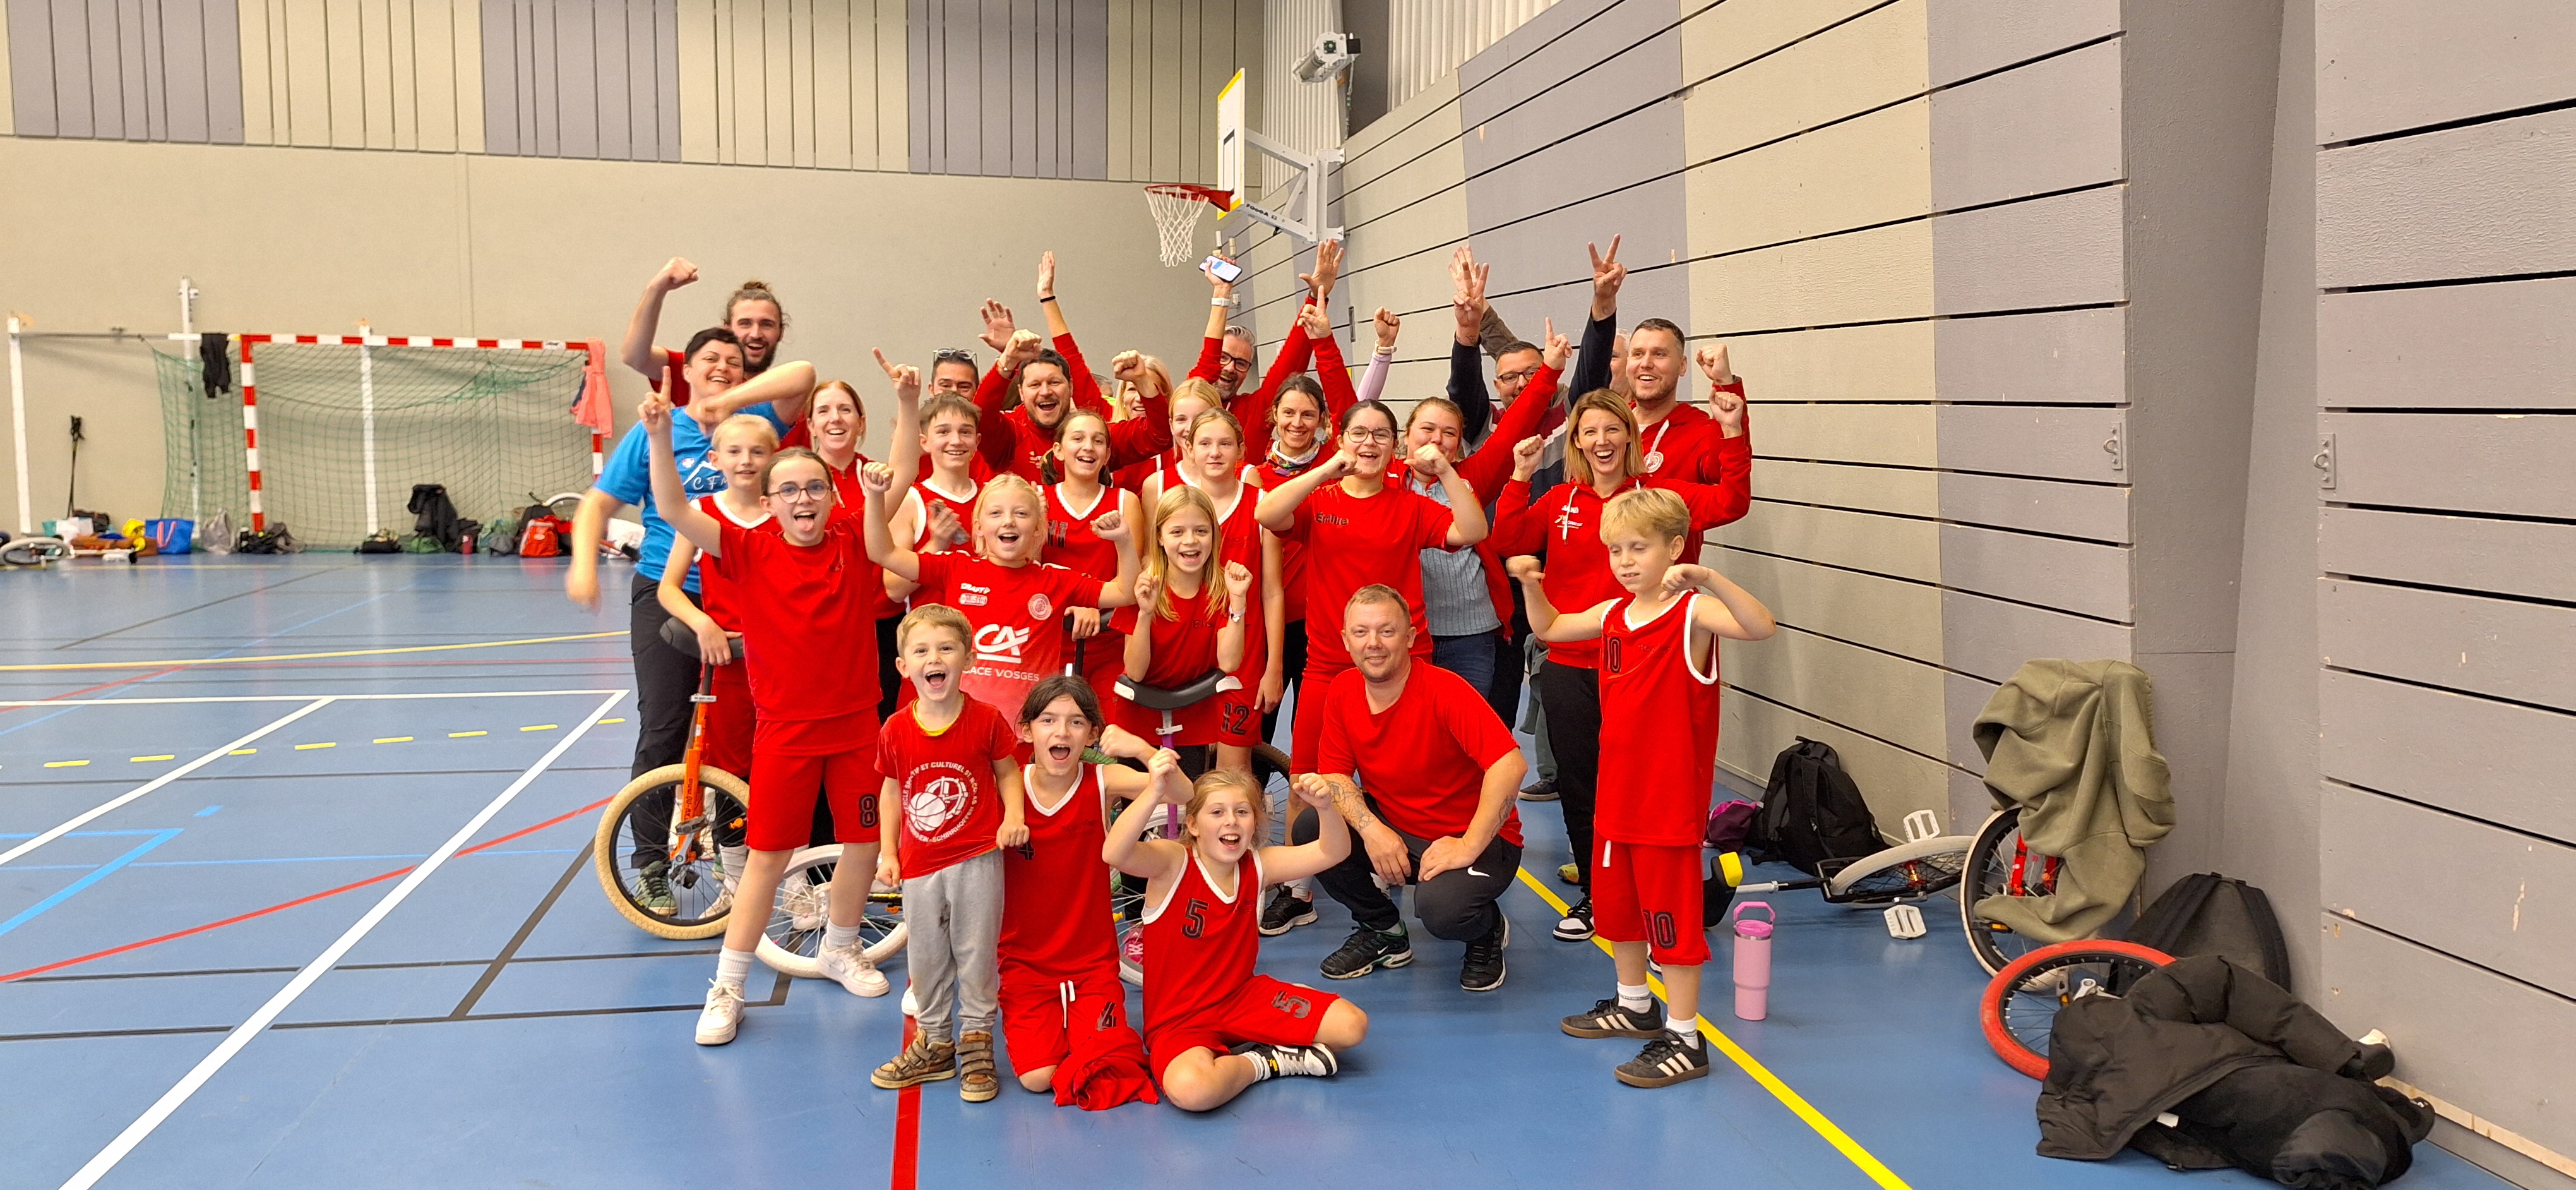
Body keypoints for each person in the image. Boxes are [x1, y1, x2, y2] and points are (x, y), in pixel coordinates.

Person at [636, 382, 890, 1050]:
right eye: (790, 490)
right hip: (786, 730)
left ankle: (841, 946)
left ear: (832, 496)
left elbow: (900, 476)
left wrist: (905, 405)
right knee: (767, 858)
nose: (804, 499)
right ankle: (727, 986)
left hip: (857, 724)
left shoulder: (852, 538)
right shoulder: (746, 549)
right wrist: (660, 436)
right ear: (770, 501)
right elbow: (671, 506)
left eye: (815, 488)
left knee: (864, 844)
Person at [1512, 488, 1775, 1087]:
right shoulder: (1612, 614)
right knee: (1619, 909)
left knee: (1670, 922)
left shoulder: (1692, 614)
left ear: (1675, 548)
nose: (1626, 561)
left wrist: (1708, 578)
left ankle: (1686, 1037)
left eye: (1639, 548)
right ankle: (1635, 1004)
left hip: (1666, 803)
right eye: (1616, 550)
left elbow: (1760, 626)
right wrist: (1531, 583)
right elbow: (1550, 627)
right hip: (1617, 797)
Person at [1491, 390, 1741, 944]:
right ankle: (1598, 894)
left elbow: (1729, 503)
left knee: (1652, 787)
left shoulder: (1657, 497)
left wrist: (1732, 432)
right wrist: (1520, 476)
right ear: (1577, 441)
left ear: (1630, 434)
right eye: (1590, 431)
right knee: (1581, 787)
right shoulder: (1559, 499)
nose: (1601, 441)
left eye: (1612, 429)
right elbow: (1508, 539)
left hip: (1643, 668)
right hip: (1570, 660)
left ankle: (1667, 896)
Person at [569, 305, 791, 874]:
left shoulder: (756, 426)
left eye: (734, 362)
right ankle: (650, 863)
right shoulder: (659, 429)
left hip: (745, 599)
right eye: (710, 359)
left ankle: (735, 855)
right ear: (685, 369)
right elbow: (597, 504)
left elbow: (804, 376)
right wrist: (583, 567)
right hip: (671, 592)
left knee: (745, 736)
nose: (722, 367)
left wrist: (729, 404)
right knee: (665, 728)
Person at [1291, 587, 1529, 990]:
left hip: (1474, 836)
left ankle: (1486, 929)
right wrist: (1372, 830)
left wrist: (1469, 845)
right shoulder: (1344, 690)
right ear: (1346, 640)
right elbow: (1335, 776)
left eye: (1386, 631)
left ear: (1410, 637)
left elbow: (1510, 765)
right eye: (1361, 632)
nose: (1373, 643)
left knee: (1443, 912)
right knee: (1313, 827)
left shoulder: (1445, 689)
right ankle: (1383, 931)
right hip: (1399, 830)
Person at [1104, 767, 1367, 1112]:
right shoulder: (1173, 862)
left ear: (1254, 824)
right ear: (1193, 825)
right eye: (1217, 812)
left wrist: (1325, 808)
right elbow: (1115, 853)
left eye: (1242, 812)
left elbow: (1333, 852)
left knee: (1351, 1027)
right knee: (1193, 1091)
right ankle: (1265, 1060)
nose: (1231, 821)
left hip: (1242, 1000)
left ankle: (1260, 1037)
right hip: (1179, 1021)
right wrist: (1153, 792)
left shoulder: (1258, 866)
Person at [1255, 402, 1488, 776]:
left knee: (1404, 777)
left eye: (1381, 435)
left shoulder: (1412, 507)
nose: (1369, 442)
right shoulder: (1319, 501)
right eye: (1359, 433)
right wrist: (1326, 470)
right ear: (1341, 440)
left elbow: (1473, 531)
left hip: (1401, 666)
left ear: (1394, 445)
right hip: (1329, 666)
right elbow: (1266, 513)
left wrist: (1445, 471)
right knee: (1307, 781)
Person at [862, 452, 1138, 740]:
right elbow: (882, 552)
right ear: (978, 527)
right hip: (963, 733)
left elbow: (1125, 592)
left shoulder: (1056, 579)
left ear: (1038, 528)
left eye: (1021, 514)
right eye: (996, 513)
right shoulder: (956, 567)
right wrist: (876, 497)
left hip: (1028, 737)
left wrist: (1124, 541)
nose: (1009, 522)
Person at [871, 604, 1026, 1102]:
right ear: (904, 667)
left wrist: (1014, 816)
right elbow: (891, 790)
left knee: (976, 952)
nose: (933, 659)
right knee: (927, 955)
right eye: (921, 651)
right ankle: (936, 1042)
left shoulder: (986, 719)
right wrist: (888, 852)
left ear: (968, 658)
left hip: (976, 857)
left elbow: (1008, 772)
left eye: (945, 648)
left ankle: (977, 1039)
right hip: (920, 865)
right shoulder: (896, 728)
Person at [1001, 676, 1177, 1105]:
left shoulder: (1104, 780)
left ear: (1093, 734)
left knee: (1105, 1064)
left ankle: (1082, 1034)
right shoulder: (1009, 790)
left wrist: (1143, 750)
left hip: (1092, 964)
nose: (1061, 732)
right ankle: (1066, 1037)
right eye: (1048, 720)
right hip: (1025, 965)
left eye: (1076, 722)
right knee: (1038, 1078)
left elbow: (1182, 792)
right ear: (1027, 730)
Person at [647, 412, 777, 910]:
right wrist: (703, 623)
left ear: (773, 458)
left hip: (782, 662)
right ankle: (735, 880)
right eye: (735, 452)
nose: (746, 461)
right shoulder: (703, 514)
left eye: (757, 452)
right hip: (729, 665)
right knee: (729, 772)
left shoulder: (784, 513)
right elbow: (668, 589)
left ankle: (791, 878)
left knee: (780, 769)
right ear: (716, 460)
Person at [974, 255, 1172, 481]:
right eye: (1035, 385)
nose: (1045, 391)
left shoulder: (1097, 437)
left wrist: (1142, 379)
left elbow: (1160, 436)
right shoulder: (1011, 438)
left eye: (1054, 382)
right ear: (1021, 391)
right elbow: (980, 418)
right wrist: (1007, 361)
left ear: (1071, 386)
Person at [1115, 485, 1254, 759]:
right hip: (1137, 721)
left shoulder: (1223, 589)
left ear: (1214, 535)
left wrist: (1238, 601)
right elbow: (1136, 672)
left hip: (1194, 717)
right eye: (1177, 532)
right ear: (1160, 537)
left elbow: (1229, 663)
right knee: (1140, 787)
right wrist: (1145, 614)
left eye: (1201, 531)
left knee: (1190, 787)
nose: (1190, 541)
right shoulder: (1144, 587)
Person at [1040, 407, 1147, 706]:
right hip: (1050, 638)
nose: (1088, 447)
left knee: (1107, 726)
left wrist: (1093, 606)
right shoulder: (1039, 500)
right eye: (1078, 439)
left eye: (1098, 441)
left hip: (1109, 640)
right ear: (1058, 450)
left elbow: (1131, 578)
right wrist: (1071, 606)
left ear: (1107, 454)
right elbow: (1029, 574)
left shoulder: (1125, 501)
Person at [722, 278, 789, 376]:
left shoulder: (793, 384)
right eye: (745, 324)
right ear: (727, 331)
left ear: (781, 332)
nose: (755, 335)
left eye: (766, 325)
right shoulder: (704, 382)